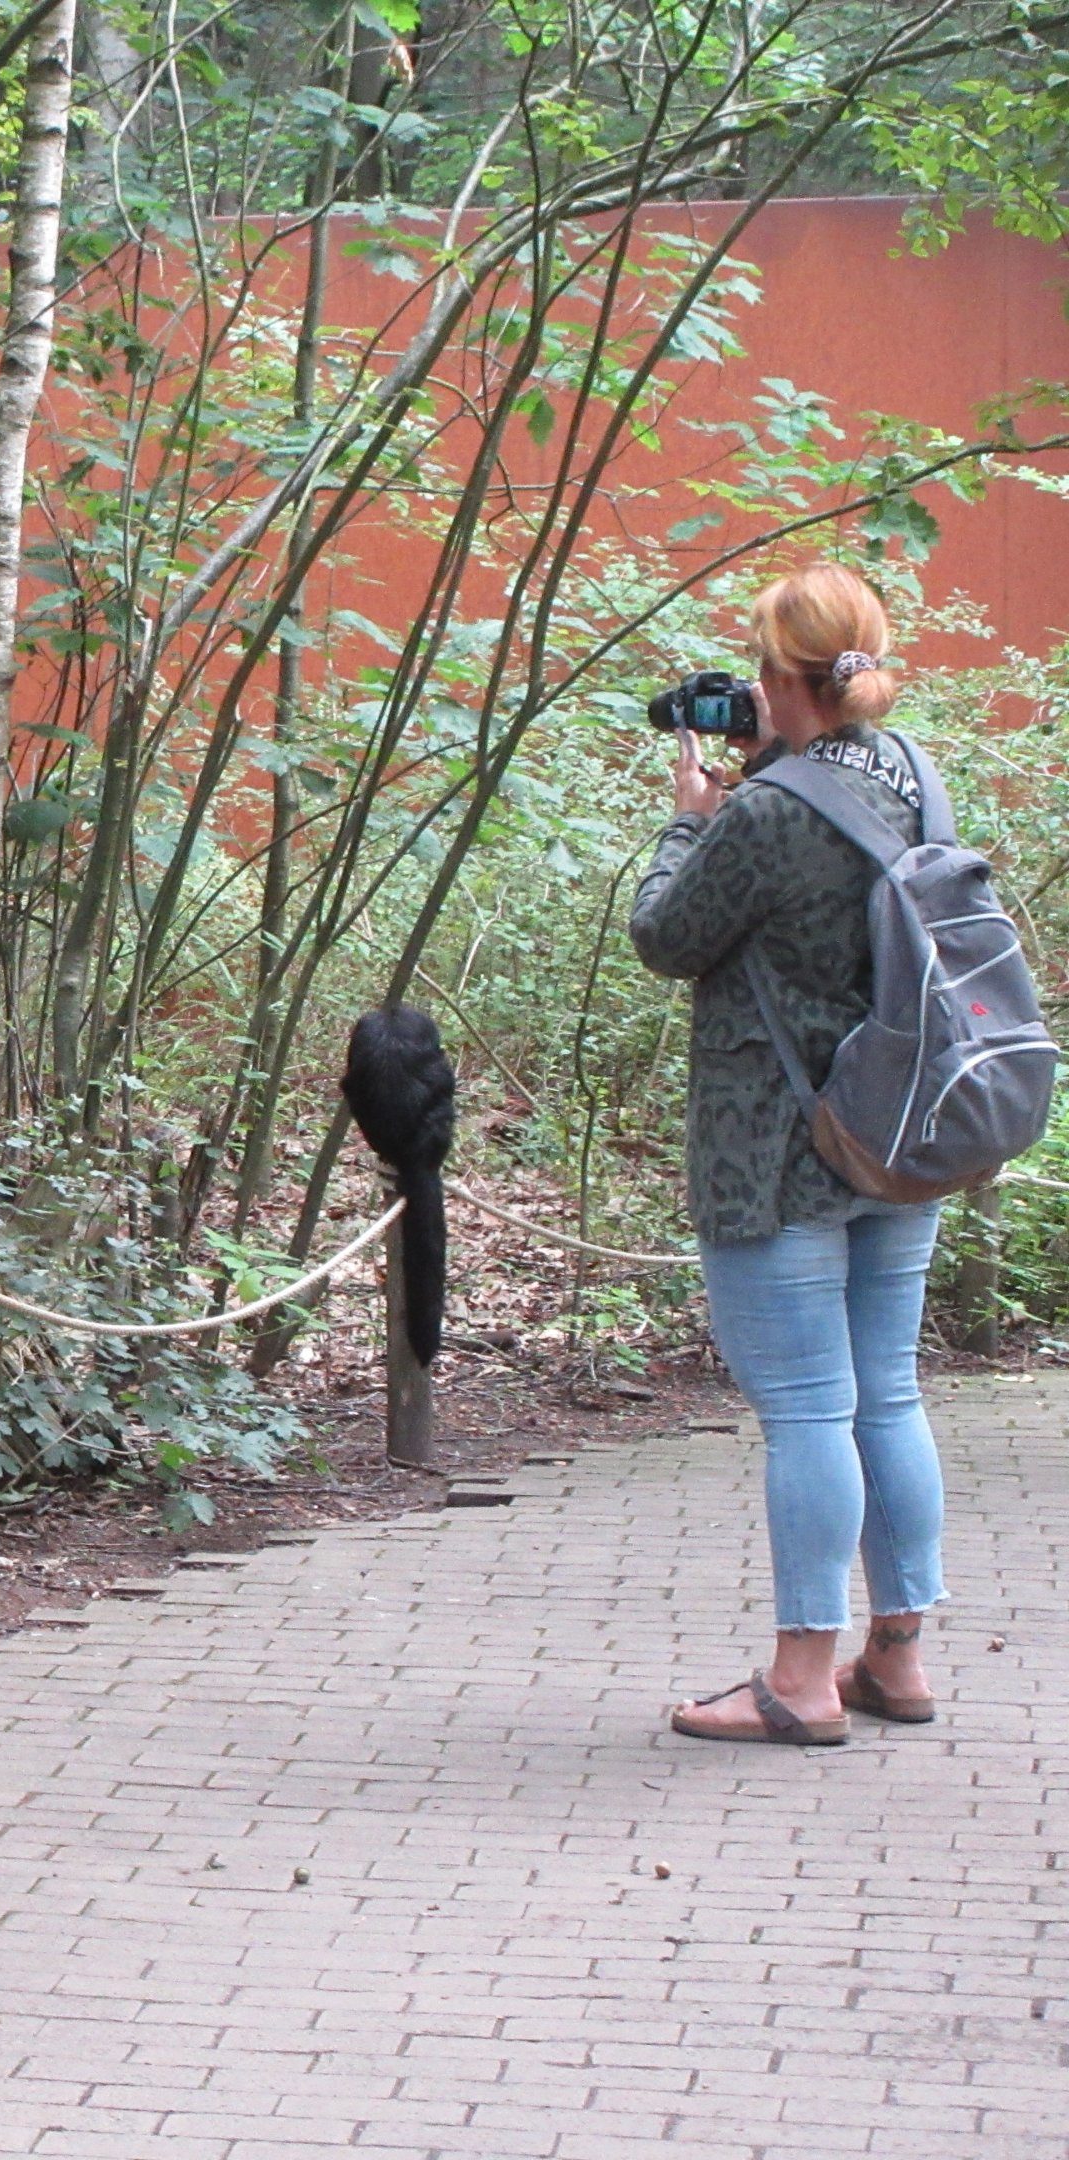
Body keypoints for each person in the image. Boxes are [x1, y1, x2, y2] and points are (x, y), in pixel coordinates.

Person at [630, 562, 946, 1747]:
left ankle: (803, 1682)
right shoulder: (914, 771)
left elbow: (667, 935)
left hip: (774, 1146)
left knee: (811, 1411)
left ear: (775, 677)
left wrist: (691, 818)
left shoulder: (764, 812)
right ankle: (896, 1657)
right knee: (889, 1393)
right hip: (898, 1131)